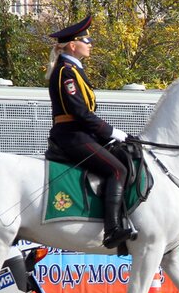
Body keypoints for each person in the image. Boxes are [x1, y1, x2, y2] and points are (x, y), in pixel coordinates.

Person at [45, 15, 131, 249]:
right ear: (73, 45)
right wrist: (113, 132)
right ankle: (112, 230)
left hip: (81, 133)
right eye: (87, 39)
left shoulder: (73, 69)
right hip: (72, 136)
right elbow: (80, 112)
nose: (90, 43)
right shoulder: (65, 72)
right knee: (117, 170)